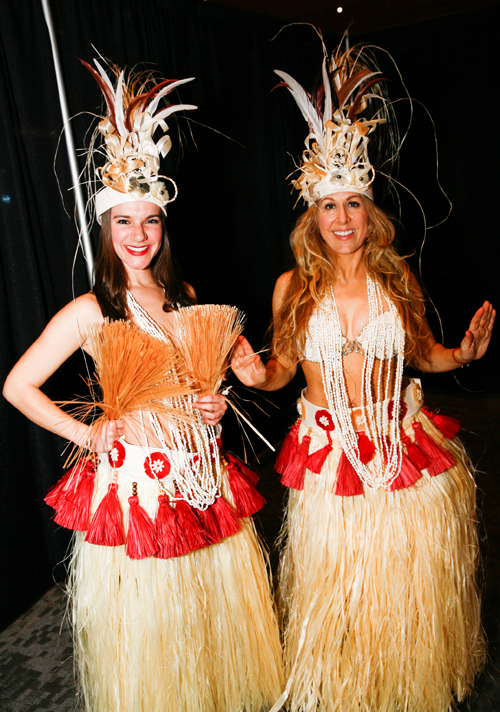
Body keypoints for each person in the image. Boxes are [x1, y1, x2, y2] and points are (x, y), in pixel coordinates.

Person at [3, 60, 283, 712]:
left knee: (207, 608)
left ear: (163, 227)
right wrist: (87, 432)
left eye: (149, 221)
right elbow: (18, 385)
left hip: (199, 471)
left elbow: (192, 382)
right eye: (123, 222)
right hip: (137, 486)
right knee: (156, 620)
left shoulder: (183, 296)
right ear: (106, 229)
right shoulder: (88, 310)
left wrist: (213, 405)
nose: (137, 235)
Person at [231, 45, 494, 712]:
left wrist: (461, 353)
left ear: (370, 212)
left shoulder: (397, 276)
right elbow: (282, 371)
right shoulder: (291, 287)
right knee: (338, 587)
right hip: (330, 460)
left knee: (403, 588)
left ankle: (404, 687)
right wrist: (255, 374)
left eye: (354, 204)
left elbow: (425, 355)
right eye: (330, 207)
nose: (343, 219)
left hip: (403, 448)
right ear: (311, 216)